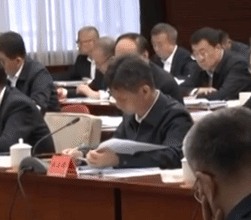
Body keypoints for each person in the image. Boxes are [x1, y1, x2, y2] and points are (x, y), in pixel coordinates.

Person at [61, 56, 193, 169]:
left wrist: (119, 160)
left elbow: (173, 157)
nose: (118, 105)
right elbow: (114, 145)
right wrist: (84, 154)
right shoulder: (130, 115)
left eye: (122, 99)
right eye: (115, 98)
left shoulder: (176, 116)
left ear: (145, 91)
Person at [0, 31, 60, 112]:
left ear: (18, 61)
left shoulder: (39, 74)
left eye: (1, 61)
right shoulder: (2, 73)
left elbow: (37, 107)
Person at [181, 28, 251, 101]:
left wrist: (194, 97)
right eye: (195, 54)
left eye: (203, 53)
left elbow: (222, 96)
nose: (200, 58)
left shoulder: (238, 65)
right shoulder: (199, 66)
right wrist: (197, 91)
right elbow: (180, 89)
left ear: (217, 48)